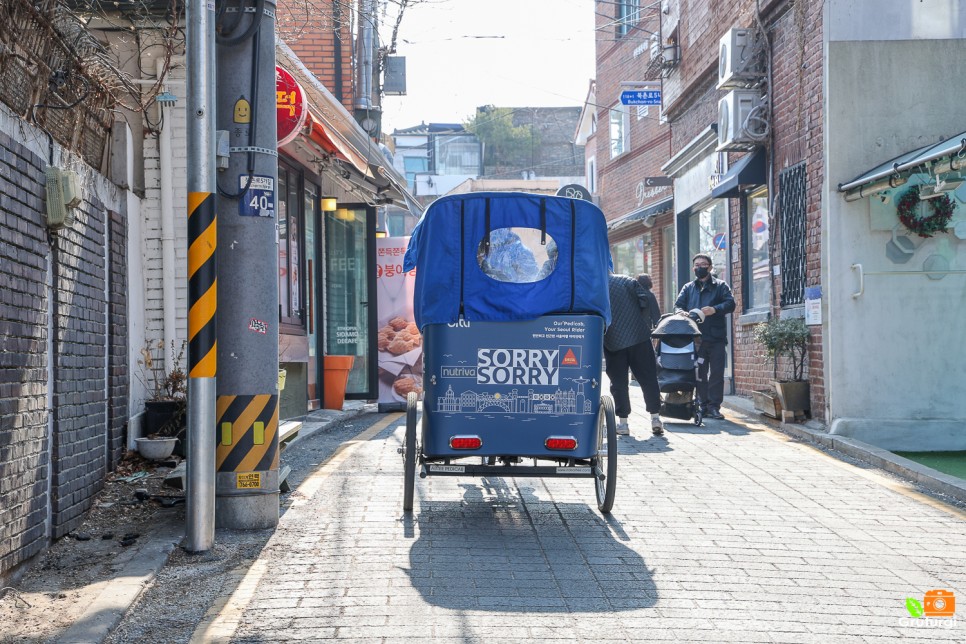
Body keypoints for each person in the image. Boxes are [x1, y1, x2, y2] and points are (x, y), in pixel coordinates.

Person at [674, 253, 736, 420]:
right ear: (693, 268)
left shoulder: (721, 286)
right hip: (696, 338)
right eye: (696, 265)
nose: (699, 267)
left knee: (716, 373)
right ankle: (702, 405)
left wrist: (714, 309)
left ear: (710, 267)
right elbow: (678, 305)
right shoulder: (688, 287)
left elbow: (731, 304)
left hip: (716, 337)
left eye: (703, 264)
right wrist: (681, 313)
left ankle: (714, 407)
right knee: (700, 373)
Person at [604, 273, 664, 437]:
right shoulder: (628, 280)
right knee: (648, 379)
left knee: (619, 382)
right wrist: (643, 324)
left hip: (613, 339)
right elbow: (645, 300)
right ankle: (655, 418)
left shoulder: (595, 284)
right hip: (639, 338)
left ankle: (623, 423)